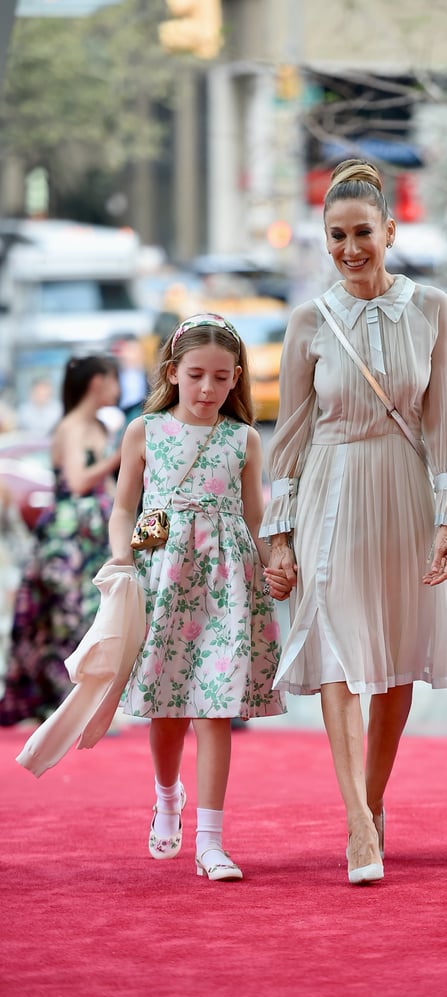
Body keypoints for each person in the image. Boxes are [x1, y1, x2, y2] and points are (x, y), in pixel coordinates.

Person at [260, 159, 447, 885]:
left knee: (393, 661)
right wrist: (278, 533)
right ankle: (356, 822)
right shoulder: (307, 322)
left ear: (390, 230)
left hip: (406, 495)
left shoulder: (432, 309)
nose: (350, 248)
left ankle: (374, 802)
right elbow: (288, 435)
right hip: (332, 487)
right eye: (336, 236)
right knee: (340, 652)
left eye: (363, 233)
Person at [107, 313, 286, 882]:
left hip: (227, 582)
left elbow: (256, 519)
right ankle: (167, 798)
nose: (208, 389)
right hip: (165, 578)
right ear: (172, 373)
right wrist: (121, 559)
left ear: (237, 380)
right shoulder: (145, 430)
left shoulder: (245, 439)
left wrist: (277, 564)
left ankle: (212, 840)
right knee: (167, 710)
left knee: (215, 709)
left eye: (221, 377)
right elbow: (121, 508)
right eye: (196, 376)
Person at [0, 355, 121, 726]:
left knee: (97, 617)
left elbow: (108, 488)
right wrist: (118, 458)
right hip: (67, 534)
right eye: (113, 380)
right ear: (97, 383)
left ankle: (87, 706)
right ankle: (64, 704)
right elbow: (79, 480)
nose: (117, 388)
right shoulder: (70, 427)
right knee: (67, 617)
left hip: (96, 532)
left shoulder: (99, 427)